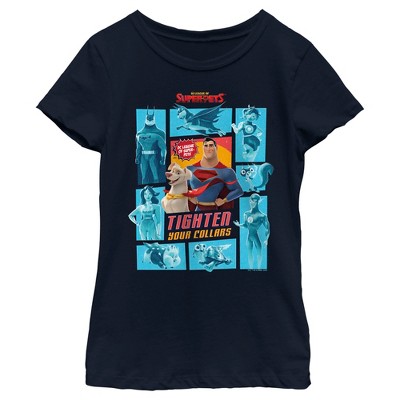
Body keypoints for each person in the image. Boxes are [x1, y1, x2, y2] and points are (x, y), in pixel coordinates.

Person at [186, 137, 243, 211]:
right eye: (206, 146)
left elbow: (238, 190)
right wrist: (189, 197)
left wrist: (224, 200)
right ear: (203, 148)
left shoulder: (226, 171)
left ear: (216, 148)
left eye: (211, 145)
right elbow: (179, 189)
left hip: (215, 212)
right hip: (197, 211)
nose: (208, 148)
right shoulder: (190, 169)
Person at [233, 193, 270, 269]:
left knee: (259, 253)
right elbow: (246, 225)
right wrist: (239, 225)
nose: (251, 203)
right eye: (250, 201)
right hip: (249, 238)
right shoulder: (246, 214)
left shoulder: (262, 216)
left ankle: (259, 270)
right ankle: (250, 269)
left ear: (257, 202)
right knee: (249, 254)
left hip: (256, 237)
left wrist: (266, 239)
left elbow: (268, 229)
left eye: (254, 201)